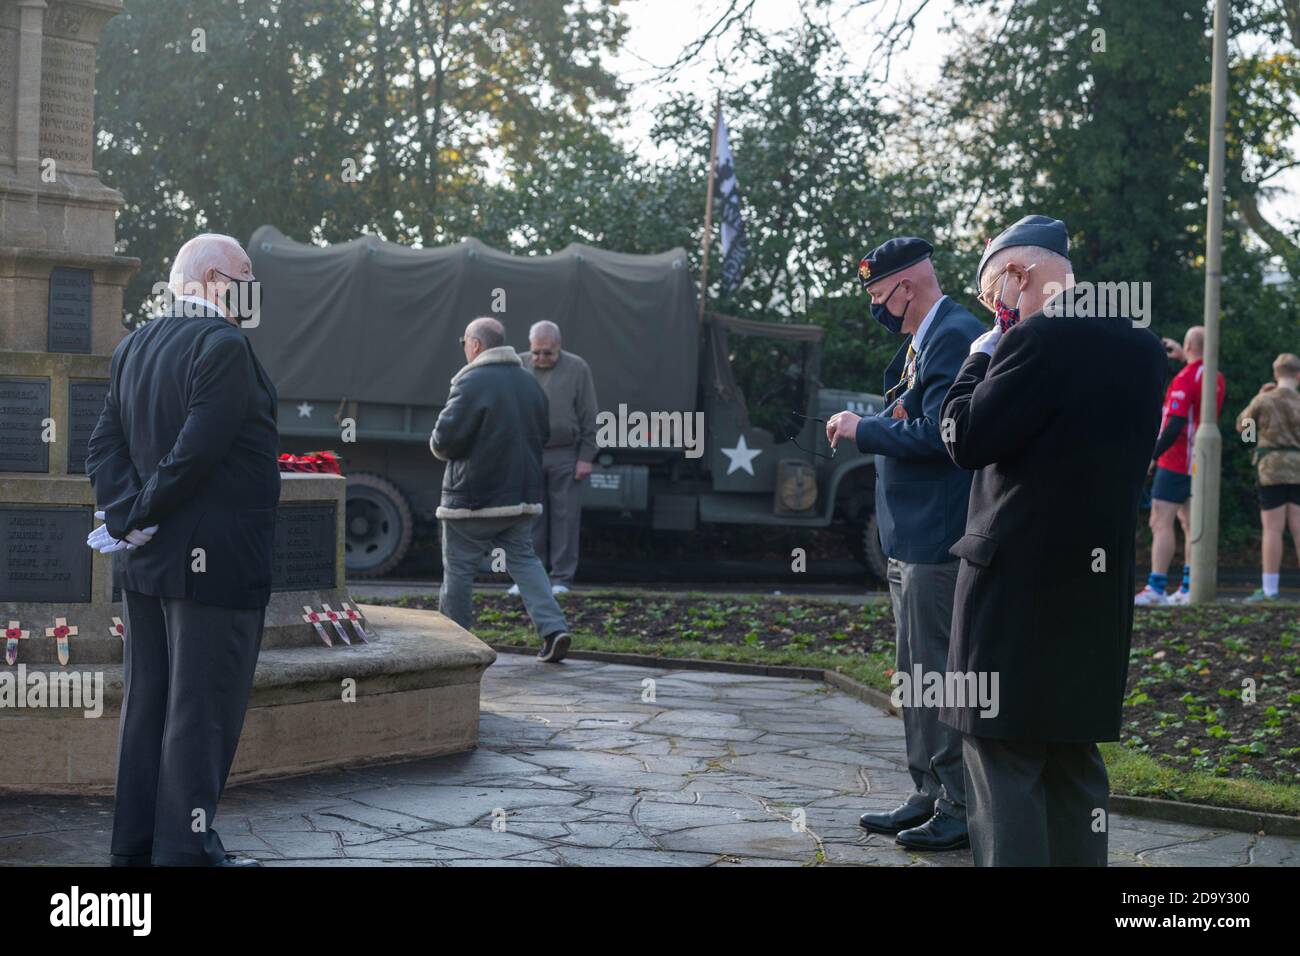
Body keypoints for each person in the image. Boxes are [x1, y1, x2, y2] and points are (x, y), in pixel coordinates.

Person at [939, 215, 1166, 866]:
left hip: (1012, 601)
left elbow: (965, 438)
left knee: (1003, 768)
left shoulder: (1029, 342)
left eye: (991, 294)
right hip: (1093, 600)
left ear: (1016, 275)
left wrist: (984, 348)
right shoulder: (1144, 348)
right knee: (1074, 773)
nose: (993, 308)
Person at [85, 233, 278, 867]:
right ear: (217, 280)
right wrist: (136, 516)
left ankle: (135, 846)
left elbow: (103, 448)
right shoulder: (223, 345)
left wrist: (126, 521)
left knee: (148, 707)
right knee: (201, 713)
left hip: (148, 562)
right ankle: (186, 852)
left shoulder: (135, 343)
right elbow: (198, 452)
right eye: (246, 275)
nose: (254, 288)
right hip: (213, 565)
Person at [826, 237, 983, 852]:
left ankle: (958, 804)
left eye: (878, 295)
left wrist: (864, 428)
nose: (877, 307)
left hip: (935, 534)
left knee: (936, 673)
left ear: (906, 287)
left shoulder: (952, 334)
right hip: (909, 533)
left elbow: (945, 435)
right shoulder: (925, 341)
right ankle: (927, 790)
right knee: (915, 672)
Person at [431, 317, 572, 662]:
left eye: (464, 341)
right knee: (525, 562)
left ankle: (457, 644)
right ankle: (554, 630)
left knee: (460, 569)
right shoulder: (529, 383)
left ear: (476, 345)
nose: (464, 347)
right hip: (520, 497)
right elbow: (544, 435)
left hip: (472, 499)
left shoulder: (471, 381)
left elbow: (444, 440)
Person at [1134, 326, 1225, 606]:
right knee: (1189, 524)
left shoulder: (1185, 378)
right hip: (1200, 463)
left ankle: (1156, 587)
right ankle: (1187, 587)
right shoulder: (1215, 377)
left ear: (1188, 345)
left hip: (1176, 459)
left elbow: (1174, 424)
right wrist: (1184, 355)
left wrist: (1152, 455)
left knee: (1160, 521)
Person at [513, 320, 599, 595]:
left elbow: (589, 414)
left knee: (565, 518)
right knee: (528, 518)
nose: (540, 358)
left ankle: (561, 579)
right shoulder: (518, 365)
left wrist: (586, 456)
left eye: (547, 352)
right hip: (528, 452)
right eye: (536, 352)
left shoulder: (577, 368)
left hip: (565, 453)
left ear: (559, 347)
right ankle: (528, 580)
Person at [1235, 352, 1300, 602]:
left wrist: (1258, 396)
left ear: (1276, 373)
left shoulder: (1264, 400)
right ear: (1298, 375)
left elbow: (1244, 430)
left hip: (1271, 469)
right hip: (1298, 469)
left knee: (1272, 529)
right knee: (1298, 527)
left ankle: (1270, 589)